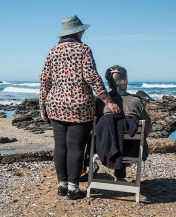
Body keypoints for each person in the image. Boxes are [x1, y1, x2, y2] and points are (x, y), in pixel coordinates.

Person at [40, 15, 122, 200]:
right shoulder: (83, 49)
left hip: (55, 104)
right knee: (76, 147)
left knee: (60, 146)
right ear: (76, 31)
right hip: (79, 106)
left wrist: (42, 106)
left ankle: (61, 186)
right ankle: (73, 189)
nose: (83, 32)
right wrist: (108, 101)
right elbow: (92, 77)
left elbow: (44, 80)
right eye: (82, 30)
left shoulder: (52, 52)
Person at [95, 65, 152, 181]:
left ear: (109, 82)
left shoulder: (101, 103)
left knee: (110, 133)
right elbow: (147, 127)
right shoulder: (135, 102)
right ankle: (120, 175)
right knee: (127, 137)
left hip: (103, 148)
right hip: (131, 150)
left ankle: (88, 169)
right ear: (125, 81)